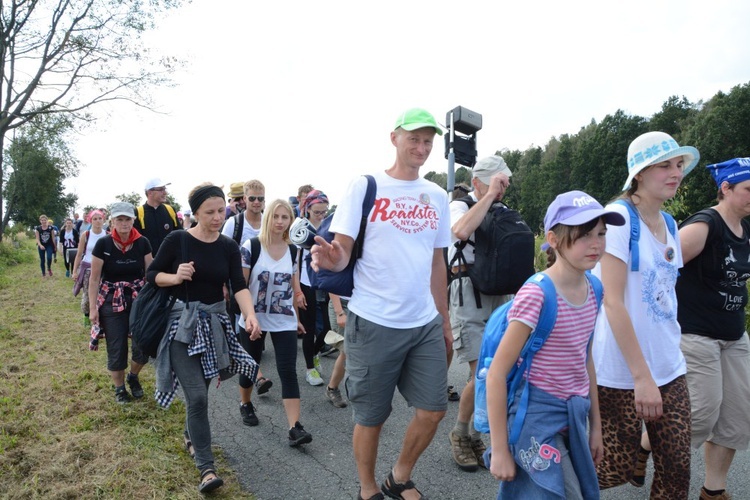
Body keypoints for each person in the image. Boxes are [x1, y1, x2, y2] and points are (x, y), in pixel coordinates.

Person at [311, 108, 451, 500]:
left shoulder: (437, 195)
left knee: (433, 410)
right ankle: (368, 488)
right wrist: (333, 259)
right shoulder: (366, 185)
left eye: (428, 141)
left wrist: (443, 319)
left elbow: (437, 261)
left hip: (422, 321)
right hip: (373, 320)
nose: (422, 147)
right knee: (372, 417)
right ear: (394, 138)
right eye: (414, 139)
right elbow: (342, 250)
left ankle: (399, 475)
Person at [487, 190, 623, 498]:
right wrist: (499, 450)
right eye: (584, 235)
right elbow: (496, 374)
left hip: (575, 413)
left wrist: (595, 426)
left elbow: (585, 358)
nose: (596, 244)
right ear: (554, 238)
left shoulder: (595, 288)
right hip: (536, 415)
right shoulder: (537, 295)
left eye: (601, 234)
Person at [592, 131, 699, 498]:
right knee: (611, 469)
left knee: (677, 469)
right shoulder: (618, 219)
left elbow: (665, 294)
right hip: (621, 372)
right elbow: (613, 301)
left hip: (669, 365)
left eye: (679, 165)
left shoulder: (670, 224)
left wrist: (664, 364)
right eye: (664, 165)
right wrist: (642, 377)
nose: (675, 173)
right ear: (639, 174)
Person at [148, 183, 261, 493]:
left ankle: (190, 434)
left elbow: (238, 285)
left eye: (221, 210)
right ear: (195, 213)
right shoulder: (178, 240)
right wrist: (175, 276)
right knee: (197, 396)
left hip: (214, 325)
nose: (216, 217)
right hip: (180, 326)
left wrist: (249, 314)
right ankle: (207, 469)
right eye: (209, 212)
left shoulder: (228, 246)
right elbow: (152, 275)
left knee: (203, 392)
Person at [675, 157, 750, 500]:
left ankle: (713, 490)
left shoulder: (745, 229)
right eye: (748, 189)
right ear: (726, 188)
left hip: (733, 334)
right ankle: (651, 447)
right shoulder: (704, 225)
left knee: (736, 416)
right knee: (703, 413)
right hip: (695, 331)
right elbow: (660, 269)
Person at [447, 155, 512, 472]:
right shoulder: (460, 206)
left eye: (506, 181)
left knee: (496, 369)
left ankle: (474, 432)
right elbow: (460, 231)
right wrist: (487, 197)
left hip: (499, 294)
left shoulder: (501, 210)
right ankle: (460, 433)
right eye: (497, 180)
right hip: (469, 292)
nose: (503, 187)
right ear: (477, 182)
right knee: (479, 373)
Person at [237, 199, 312, 446]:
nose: (280, 222)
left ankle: (294, 427)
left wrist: (297, 319)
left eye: (286, 217)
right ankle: (245, 403)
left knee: (288, 370)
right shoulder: (252, 247)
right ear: (269, 217)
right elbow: (241, 286)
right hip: (254, 320)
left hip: (283, 320)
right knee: (251, 366)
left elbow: (294, 288)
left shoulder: (293, 251)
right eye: (276, 216)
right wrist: (249, 317)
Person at [87, 202, 153, 403]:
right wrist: (92, 308)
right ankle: (119, 389)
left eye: (127, 219)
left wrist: (153, 304)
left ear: (133, 220)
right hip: (110, 298)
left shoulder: (143, 243)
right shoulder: (104, 244)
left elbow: (151, 274)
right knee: (117, 345)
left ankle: (133, 377)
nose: (124, 223)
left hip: (137, 297)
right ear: (112, 221)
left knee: (143, 342)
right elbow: (95, 279)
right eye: (119, 219)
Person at [221, 180, 276, 415]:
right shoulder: (234, 223)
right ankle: (253, 386)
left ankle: (253, 372)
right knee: (246, 337)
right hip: (239, 286)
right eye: (252, 198)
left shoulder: (270, 221)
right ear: (244, 198)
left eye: (261, 198)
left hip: (265, 290)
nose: (256, 203)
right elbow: (221, 252)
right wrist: (224, 285)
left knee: (255, 339)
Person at [296, 189, 331, 386]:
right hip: (306, 283)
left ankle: (316, 352)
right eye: (317, 212)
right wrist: (298, 291)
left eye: (324, 211)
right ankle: (310, 369)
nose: (321, 215)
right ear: (308, 209)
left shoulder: (329, 225)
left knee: (327, 328)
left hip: (326, 283)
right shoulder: (300, 227)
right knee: (309, 329)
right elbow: (295, 263)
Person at [73, 210, 108, 326]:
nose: (98, 221)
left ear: (103, 220)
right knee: (88, 294)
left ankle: (102, 316)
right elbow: (79, 254)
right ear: (90, 221)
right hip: (88, 267)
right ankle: (86, 315)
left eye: (100, 218)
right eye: (95, 219)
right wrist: (74, 271)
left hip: (104, 268)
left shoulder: (108, 235)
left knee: (103, 293)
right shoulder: (86, 235)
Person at [134, 177, 180, 256]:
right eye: (161, 189)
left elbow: (179, 234)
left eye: (165, 189)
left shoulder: (170, 209)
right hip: (149, 263)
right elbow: (136, 241)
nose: (165, 192)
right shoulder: (138, 212)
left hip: (170, 261)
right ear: (150, 192)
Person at [325, 292, 349, 408]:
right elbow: (332, 280)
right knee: (347, 351)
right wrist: (339, 312)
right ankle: (332, 388)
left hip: (365, 305)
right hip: (342, 304)